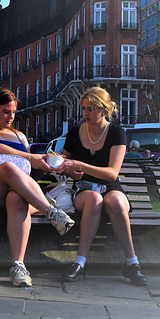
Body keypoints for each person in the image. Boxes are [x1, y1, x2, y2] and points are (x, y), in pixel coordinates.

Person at [0, 88, 75, 287]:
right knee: (8, 166)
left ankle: (19, 266)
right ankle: (52, 212)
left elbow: (28, 173)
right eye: (5, 111)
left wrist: (50, 166)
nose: (11, 117)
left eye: (14, 112)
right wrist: (29, 157)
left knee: (17, 198)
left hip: (14, 196)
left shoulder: (20, 137)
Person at [52, 87, 147, 285]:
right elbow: (65, 166)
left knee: (117, 203)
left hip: (110, 186)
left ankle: (132, 263)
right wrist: (68, 169)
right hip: (84, 190)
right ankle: (80, 262)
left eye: (92, 109)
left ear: (104, 110)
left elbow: (112, 173)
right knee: (94, 199)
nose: (86, 114)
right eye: (84, 108)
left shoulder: (116, 133)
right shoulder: (73, 133)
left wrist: (81, 165)